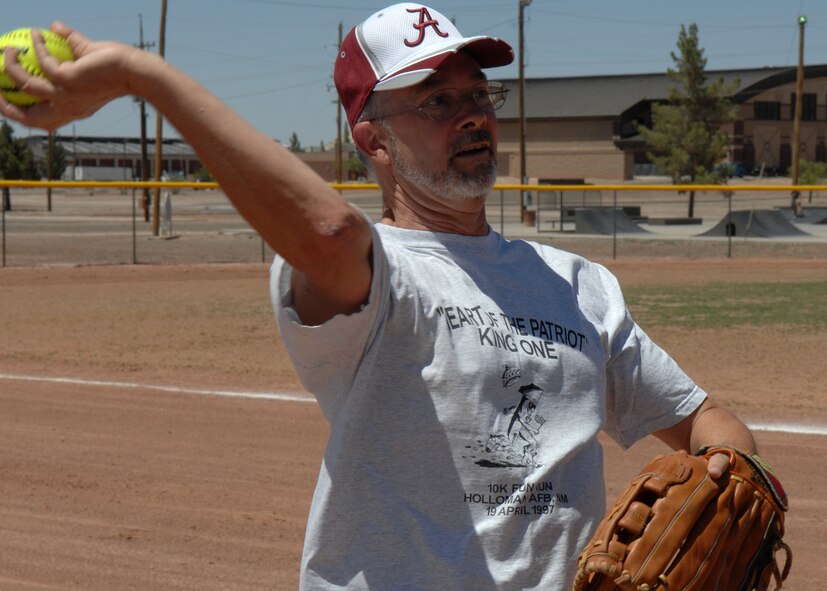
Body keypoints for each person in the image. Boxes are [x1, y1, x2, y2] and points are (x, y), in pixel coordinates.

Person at [1, 3, 757, 589]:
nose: (471, 114)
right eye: (434, 100)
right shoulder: (377, 271)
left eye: (477, 95)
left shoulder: (576, 284)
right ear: (373, 140)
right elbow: (329, 229)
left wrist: (729, 472)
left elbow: (704, 418)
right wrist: (145, 77)